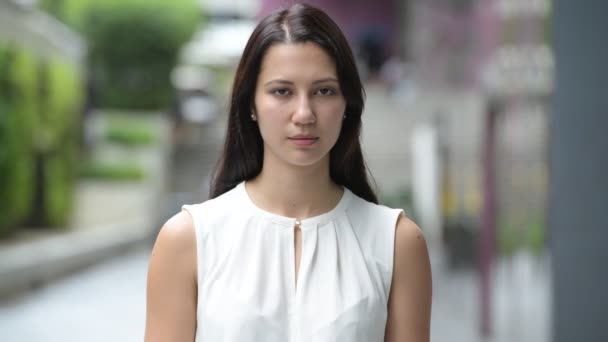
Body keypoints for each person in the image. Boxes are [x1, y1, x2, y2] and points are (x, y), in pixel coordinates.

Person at [145, 3, 432, 342]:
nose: (304, 113)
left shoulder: (397, 242)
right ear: (250, 103)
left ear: (347, 105)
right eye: (282, 91)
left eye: (324, 91)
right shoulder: (188, 240)